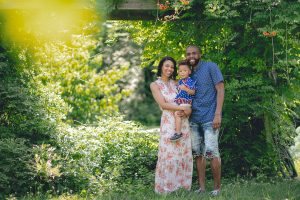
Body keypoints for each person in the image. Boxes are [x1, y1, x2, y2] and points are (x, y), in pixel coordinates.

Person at [184, 45, 225, 196]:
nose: (191, 56)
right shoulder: (187, 73)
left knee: (212, 152)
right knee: (198, 154)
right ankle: (201, 188)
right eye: (188, 54)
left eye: (194, 53)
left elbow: (220, 89)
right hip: (193, 119)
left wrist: (218, 114)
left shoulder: (210, 67)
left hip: (210, 118)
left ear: (200, 54)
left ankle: (217, 188)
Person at [150, 56, 193, 194]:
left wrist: (187, 111)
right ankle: (167, 188)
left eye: (172, 67)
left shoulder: (177, 83)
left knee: (182, 153)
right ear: (161, 66)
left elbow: (188, 99)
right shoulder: (155, 85)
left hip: (182, 121)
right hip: (169, 122)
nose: (169, 69)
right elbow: (163, 104)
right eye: (167, 66)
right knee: (169, 153)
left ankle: (182, 187)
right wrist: (181, 108)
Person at [170, 60, 196, 141]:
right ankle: (184, 117)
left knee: (177, 114)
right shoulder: (181, 81)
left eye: (184, 71)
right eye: (180, 71)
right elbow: (174, 82)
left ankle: (178, 133)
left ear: (189, 71)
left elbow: (193, 92)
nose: (182, 73)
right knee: (178, 114)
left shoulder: (190, 81)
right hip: (181, 103)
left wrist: (185, 88)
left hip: (186, 102)